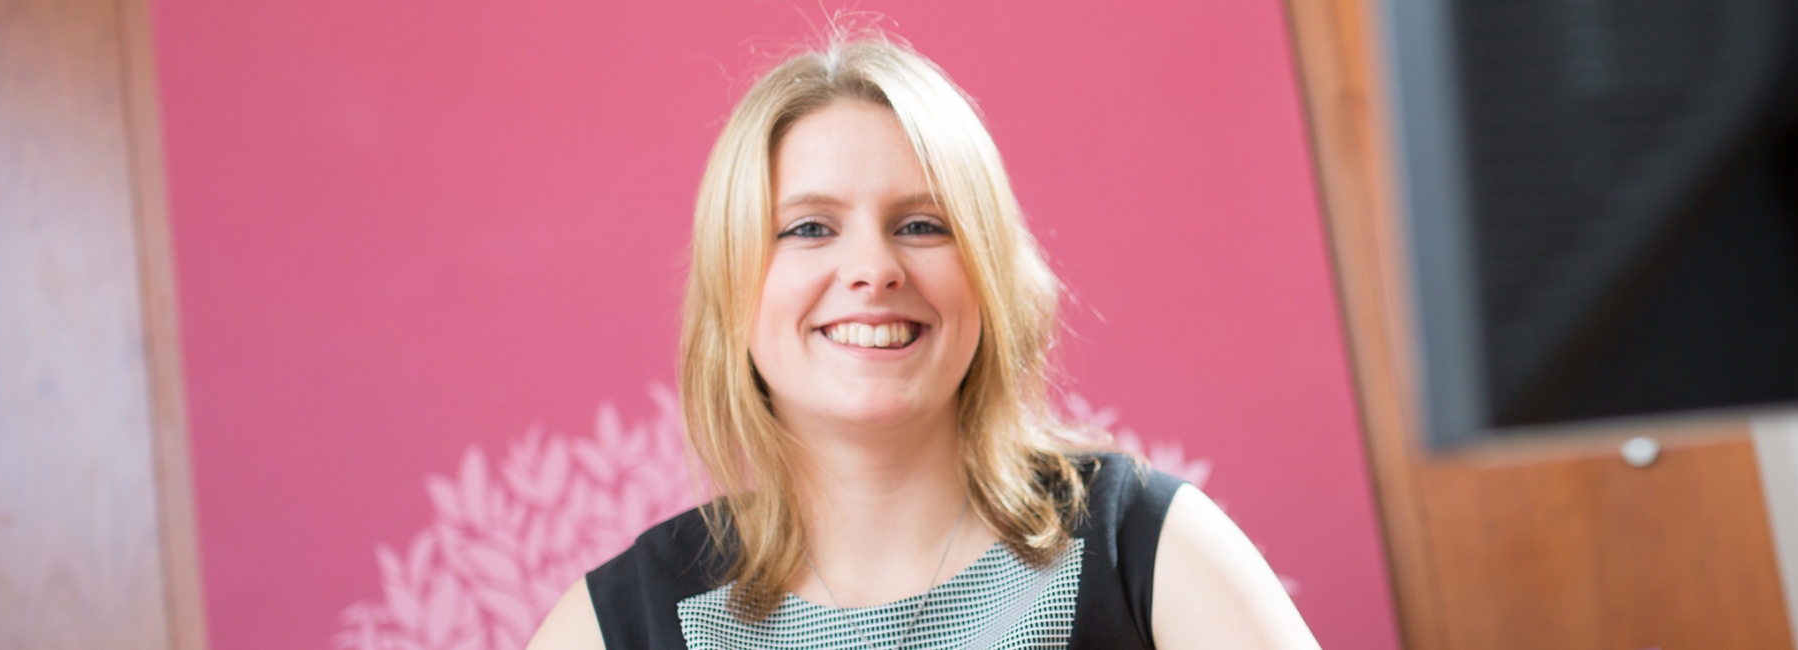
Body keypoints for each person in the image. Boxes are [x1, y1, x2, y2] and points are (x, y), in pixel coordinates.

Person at [525, 35, 1320, 650]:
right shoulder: (625, 620)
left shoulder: (1143, 543)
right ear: (733, 290)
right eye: (809, 228)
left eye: (921, 225)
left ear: (986, 275)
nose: (874, 269)